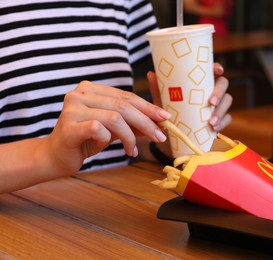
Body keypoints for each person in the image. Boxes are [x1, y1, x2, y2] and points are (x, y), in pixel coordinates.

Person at [0, 0, 232, 194]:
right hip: (18, 227)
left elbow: (118, 141)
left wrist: (170, 137)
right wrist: (48, 155)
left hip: (114, 217)